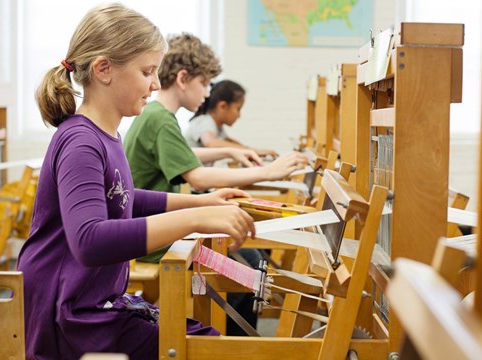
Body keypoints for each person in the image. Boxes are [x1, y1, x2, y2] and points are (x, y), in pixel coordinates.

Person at [16, 4, 255, 359]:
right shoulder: (81, 141)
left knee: (203, 338)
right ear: (103, 69)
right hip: (66, 312)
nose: (156, 84)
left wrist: (203, 203)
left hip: (89, 301)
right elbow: (89, 240)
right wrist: (193, 219)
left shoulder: (103, 135)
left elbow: (127, 197)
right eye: (147, 71)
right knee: (204, 347)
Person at [122, 33, 307, 335]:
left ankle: (234, 342)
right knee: (243, 275)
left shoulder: (157, 117)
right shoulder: (160, 119)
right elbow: (198, 176)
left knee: (249, 260)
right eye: (204, 83)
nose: (207, 94)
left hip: (153, 229)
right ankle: (233, 347)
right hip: (153, 239)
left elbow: (182, 155)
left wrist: (228, 150)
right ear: (183, 78)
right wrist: (268, 173)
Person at [184, 79, 278, 159]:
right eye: (238, 109)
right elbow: (211, 143)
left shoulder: (218, 128)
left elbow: (230, 142)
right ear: (223, 106)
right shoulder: (205, 121)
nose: (239, 115)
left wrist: (251, 152)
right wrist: (251, 151)